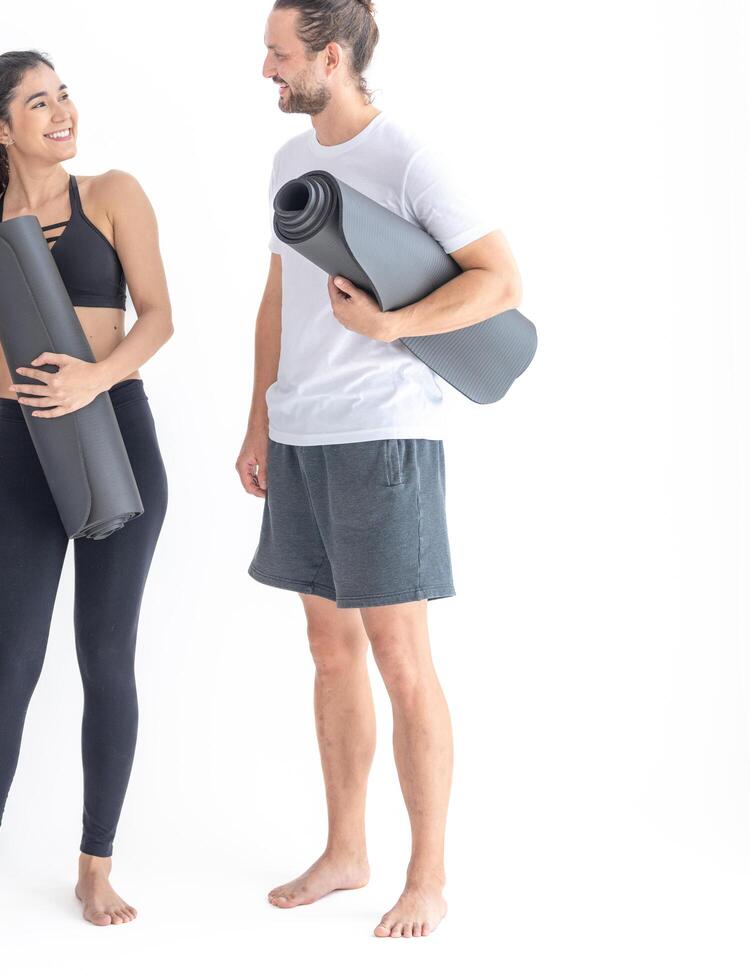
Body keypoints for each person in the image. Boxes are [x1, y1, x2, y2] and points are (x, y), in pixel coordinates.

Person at [237, 0, 524, 939]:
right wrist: (257, 421)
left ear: (332, 54)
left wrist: (394, 326)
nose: (265, 71)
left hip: (384, 432)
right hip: (301, 432)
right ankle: (346, 849)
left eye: (278, 56)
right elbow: (278, 298)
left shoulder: (406, 157)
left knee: (402, 659)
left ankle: (429, 877)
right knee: (329, 652)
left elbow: (499, 280)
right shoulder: (291, 163)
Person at [0, 51, 173, 942]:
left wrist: (94, 380)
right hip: (21, 450)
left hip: (118, 439)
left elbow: (158, 316)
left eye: (63, 94)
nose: (63, 111)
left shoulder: (111, 193)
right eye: (41, 102)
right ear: (0, 128)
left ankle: (95, 868)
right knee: (9, 668)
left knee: (106, 662)